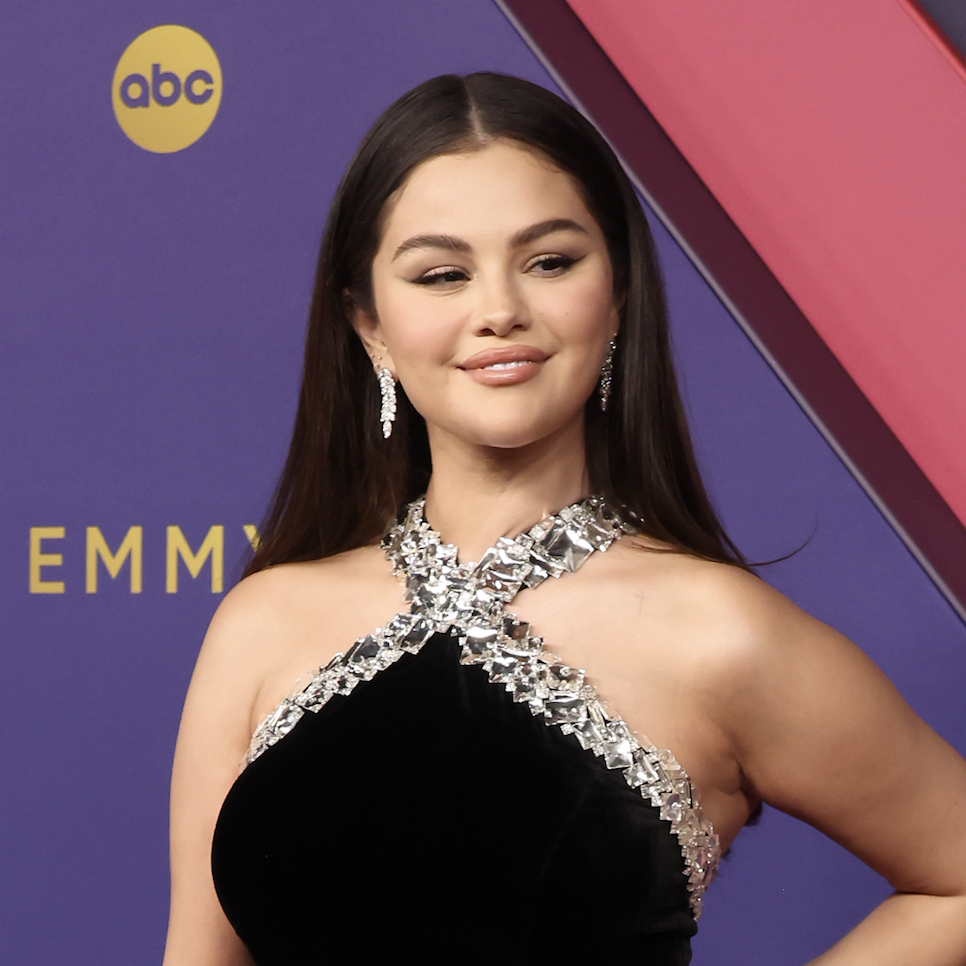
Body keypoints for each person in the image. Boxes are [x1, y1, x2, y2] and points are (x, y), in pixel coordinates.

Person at [162, 73, 966, 965]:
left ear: (616, 294)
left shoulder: (720, 634)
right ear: (369, 324)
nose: (500, 310)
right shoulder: (261, 624)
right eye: (441, 274)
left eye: (550, 261)